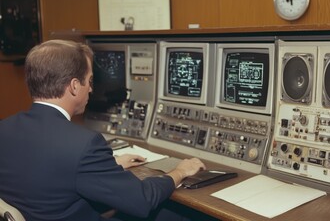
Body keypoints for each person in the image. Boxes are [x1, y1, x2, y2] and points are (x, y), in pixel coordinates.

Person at [0, 39, 206, 221]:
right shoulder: (84, 145)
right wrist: (180, 171)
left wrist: (108, 165)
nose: (90, 89)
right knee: (176, 213)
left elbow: (47, 171)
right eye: (89, 81)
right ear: (73, 86)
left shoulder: (5, 129)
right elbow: (142, 200)